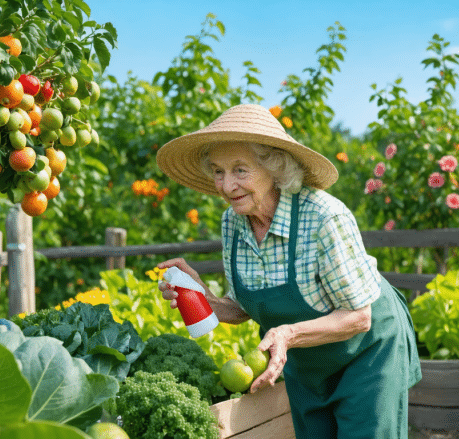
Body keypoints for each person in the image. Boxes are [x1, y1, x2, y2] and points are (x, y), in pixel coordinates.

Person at [155, 104, 421, 438]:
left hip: (368, 353)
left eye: (240, 170)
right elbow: (242, 308)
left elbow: (358, 317)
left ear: (274, 169)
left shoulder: (324, 217)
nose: (227, 185)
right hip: (307, 362)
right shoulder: (233, 222)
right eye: (218, 171)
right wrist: (202, 297)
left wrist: (288, 334)